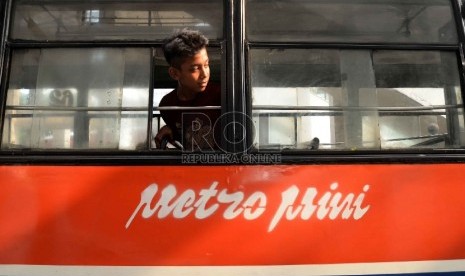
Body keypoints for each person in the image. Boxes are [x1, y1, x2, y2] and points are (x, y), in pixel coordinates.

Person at [155, 29, 221, 151]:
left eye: (206, 65)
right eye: (195, 68)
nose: (204, 74)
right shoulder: (167, 105)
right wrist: (170, 130)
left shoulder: (221, 95)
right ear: (174, 73)